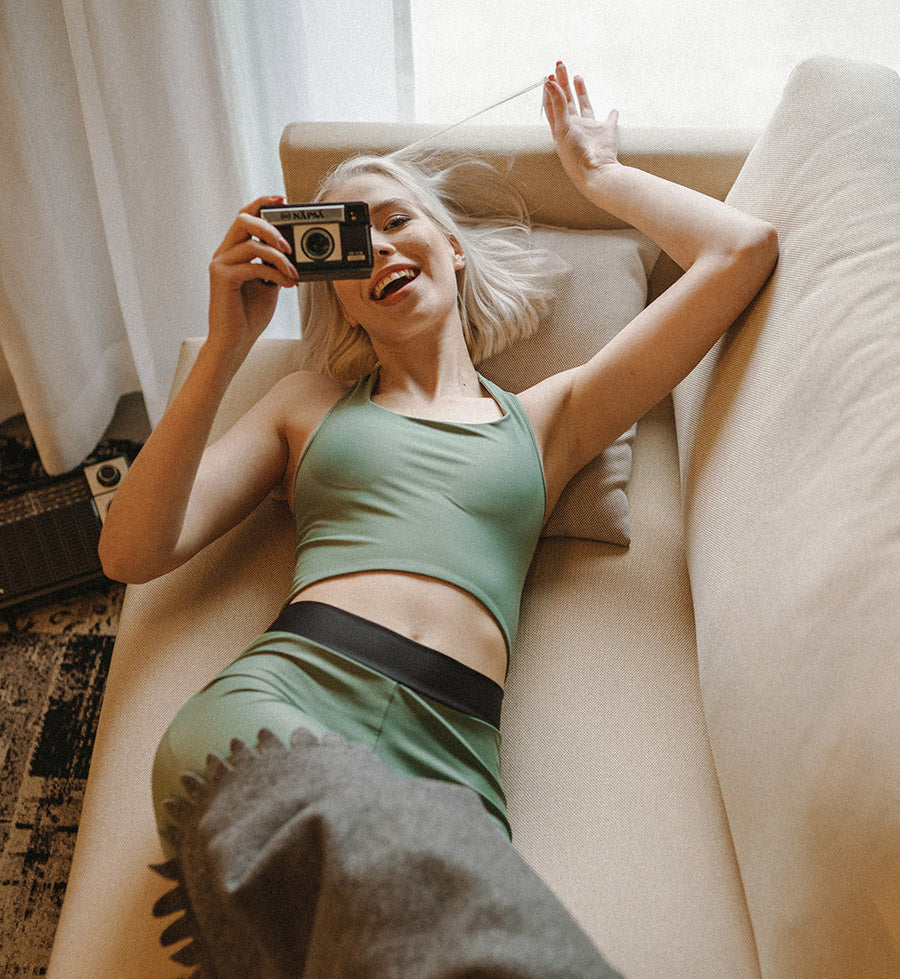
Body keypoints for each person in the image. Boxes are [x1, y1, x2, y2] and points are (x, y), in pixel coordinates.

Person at [99, 63, 778, 851]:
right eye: (349, 245)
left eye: (395, 221)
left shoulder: (549, 417)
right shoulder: (305, 403)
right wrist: (226, 347)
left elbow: (742, 250)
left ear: (451, 249)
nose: (379, 249)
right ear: (338, 296)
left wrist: (599, 172)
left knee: (526, 973)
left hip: (452, 751)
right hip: (285, 703)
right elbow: (130, 549)